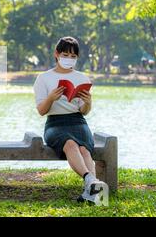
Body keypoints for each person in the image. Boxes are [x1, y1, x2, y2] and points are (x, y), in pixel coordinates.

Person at [33, 36, 107, 204]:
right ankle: (91, 181)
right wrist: (51, 98)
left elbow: (84, 111)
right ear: (57, 54)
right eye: (66, 55)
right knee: (71, 144)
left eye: (73, 57)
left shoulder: (82, 78)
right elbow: (41, 111)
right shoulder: (43, 78)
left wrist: (88, 103)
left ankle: (92, 191)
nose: (69, 59)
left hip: (78, 121)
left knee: (85, 150)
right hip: (55, 124)